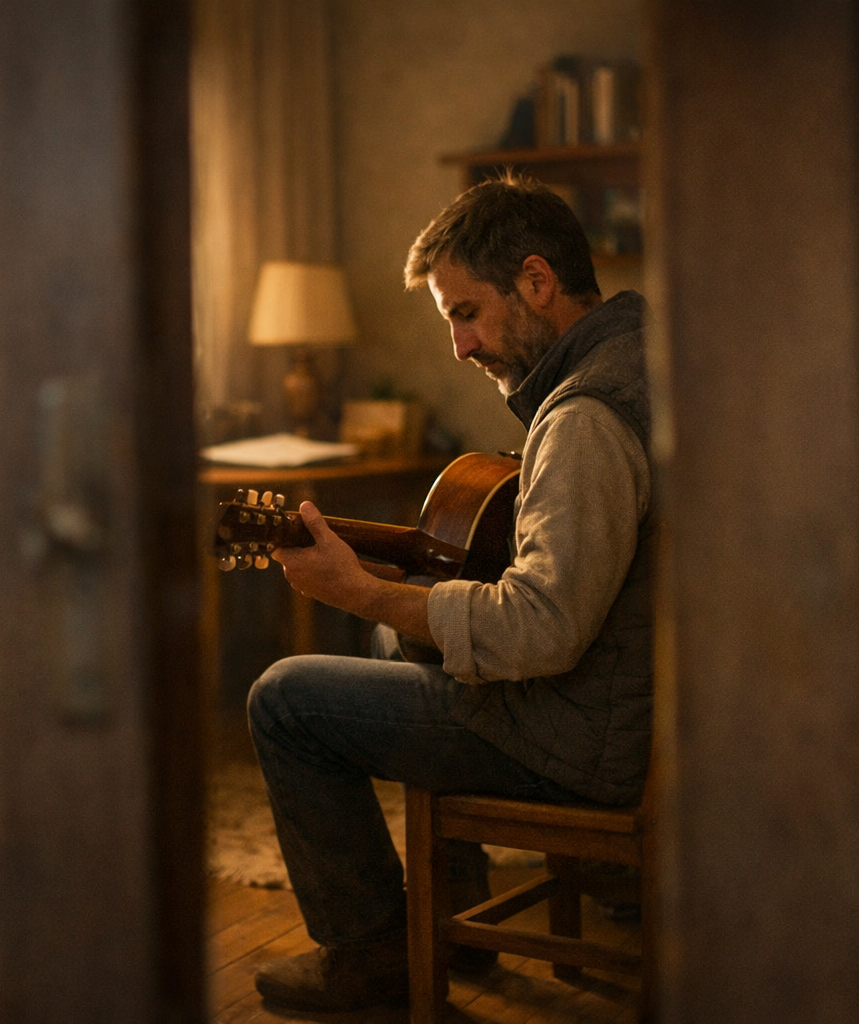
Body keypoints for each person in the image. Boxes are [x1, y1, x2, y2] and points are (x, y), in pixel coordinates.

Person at [246, 174, 655, 1012]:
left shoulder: (586, 418)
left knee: (285, 697)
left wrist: (360, 591)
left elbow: (544, 628)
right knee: (397, 642)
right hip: (642, 703)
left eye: (465, 314)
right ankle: (455, 918)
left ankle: (372, 957)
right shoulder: (645, 350)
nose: (460, 348)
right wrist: (396, 607)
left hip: (588, 737)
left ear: (537, 282)